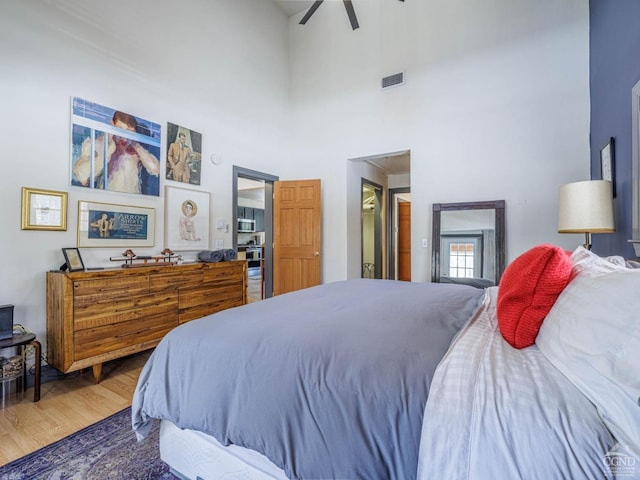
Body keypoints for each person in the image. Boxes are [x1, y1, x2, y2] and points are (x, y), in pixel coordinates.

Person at [73, 111, 160, 194]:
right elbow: (83, 178)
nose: (124, 137)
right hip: (104, 203)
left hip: (132, 205)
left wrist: (136, 146)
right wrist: (109, 149)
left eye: (130, 132)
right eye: (121, 130)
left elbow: (156, 170)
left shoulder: (135, 149)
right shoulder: (99, 144)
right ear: (112, 124)